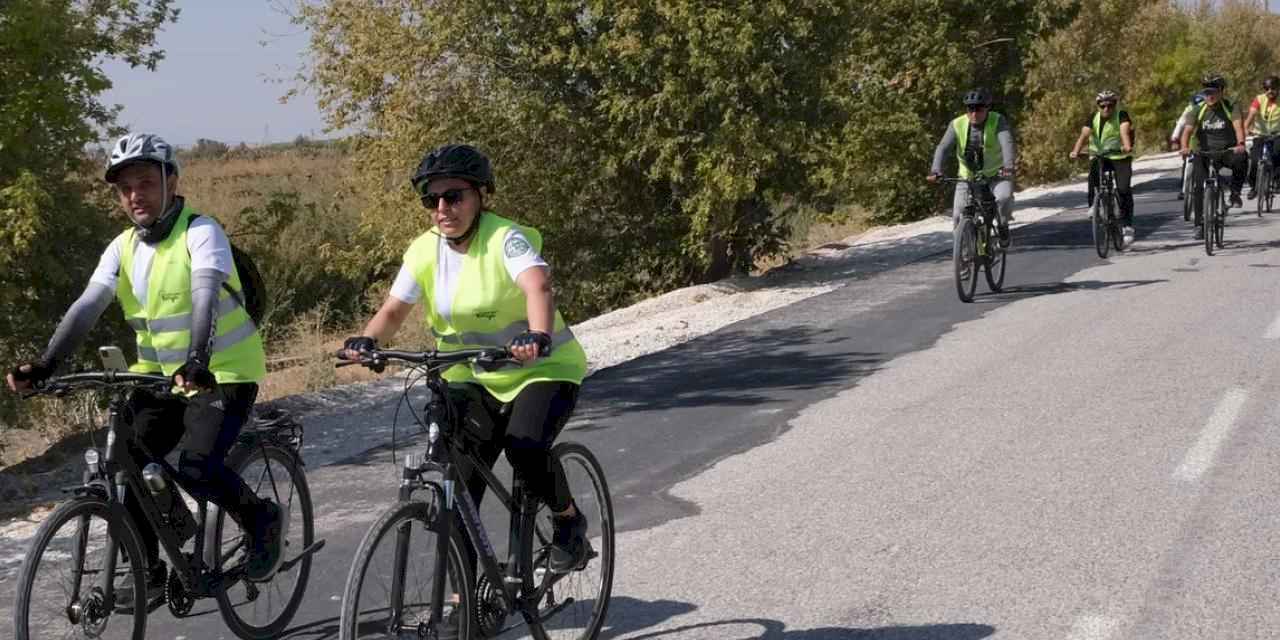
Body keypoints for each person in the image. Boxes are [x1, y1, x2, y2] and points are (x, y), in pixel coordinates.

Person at [5, 133, 283, 603]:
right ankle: (150, 567)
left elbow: (205, 296)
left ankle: (262, 520)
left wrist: (198, 360)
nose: (136, 195)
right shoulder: (122, 248)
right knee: (125, 461)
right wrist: (47, 363)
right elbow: (87, 306)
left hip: (223, 372)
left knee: (197, 467)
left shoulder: (200, 233)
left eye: (146, 183)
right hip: (158, 376)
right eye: (125, 188)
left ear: (172, 182)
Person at [341, 144, 591, 575]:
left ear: (480, 195)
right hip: (471, 376)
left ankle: (567, 519)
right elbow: (394, 310)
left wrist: (537, 334)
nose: (443, 209)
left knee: (524, 446)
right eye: (432, 199)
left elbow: (537, 286)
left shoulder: (504, 238)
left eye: (453, 196)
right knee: (456, 490)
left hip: (540, 369)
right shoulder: (424, 250)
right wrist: (368, 340)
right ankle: (464, 602)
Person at [928, 88, 1017, 248]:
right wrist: (936, 170)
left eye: (979, 109)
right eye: (970, 109)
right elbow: (943, 148)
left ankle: (1003, 226)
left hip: (997, 174)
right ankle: (963, 254)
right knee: (957, 215)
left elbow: (1007, 143)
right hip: (967, 176)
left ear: (987, 108)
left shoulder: (997, 120)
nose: (974, 113)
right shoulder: (957, 124)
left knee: (1003, 198)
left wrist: (1008, 166)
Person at [1179, 73, 1248, 239]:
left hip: (1226, 151)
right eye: (1206, 92)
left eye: (1213, 92)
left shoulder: (1231, 106)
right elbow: (1187, 131)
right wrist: (1185, 147)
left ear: (1222, 91)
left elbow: (1238, 127)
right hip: (1203, 153)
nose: (1209, 95)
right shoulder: (1197, 109)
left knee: (1242, 158)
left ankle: (1235, 193)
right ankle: (1199, 225)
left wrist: (1240, 144)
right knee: (1198, 186)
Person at [1070, 89, 1135, 246]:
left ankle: (1127, 226)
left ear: (1115, 105)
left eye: (1110, 105)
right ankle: (1094, 205)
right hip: (1100, 156)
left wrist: (1126, 146)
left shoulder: (1121, 115)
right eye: (1102, 106)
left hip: (1119, 156)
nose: (1106, 109)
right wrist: (1075, 151)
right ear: (1098, 106)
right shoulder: (1093, 117)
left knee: (1123, 189)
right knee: (1093, 174)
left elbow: (1124, 131)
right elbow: (1084, 135)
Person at [1244, 76, 1280, 198]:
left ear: (1278, 88)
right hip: (1259, 134)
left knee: (1277, 154)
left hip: (1277, 134)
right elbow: (1251, 115)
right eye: (1267, 89)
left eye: (1273, 88)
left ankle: (1276, 182)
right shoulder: (1259, 99)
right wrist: (1247, 128)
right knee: (1254, 160)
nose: (1270, 91)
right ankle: (1253, 187)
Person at [1171, 89, 1209, 201]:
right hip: (1190, 139)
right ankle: (1184, 189)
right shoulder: (1189, 110)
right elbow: (1180, 125)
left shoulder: (1208, 109)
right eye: (1196, 105)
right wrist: (1174, 139)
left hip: (1204, 140)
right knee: (1187, 162)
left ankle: (1207, 184)